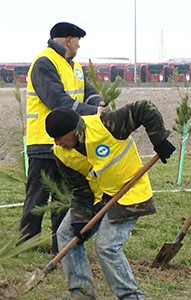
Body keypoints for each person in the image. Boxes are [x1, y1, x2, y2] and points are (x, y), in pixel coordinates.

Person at [45, 101, 175, 300]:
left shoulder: (106, 125)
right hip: (99, 198)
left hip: (129, 195)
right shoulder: (61, 153)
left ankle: (131, 296)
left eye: (60, 137)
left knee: (105, 246)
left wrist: (159, 140)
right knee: (65, 233)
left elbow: (144, 108)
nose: (57, 143)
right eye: (53, 139)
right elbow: (79, 189)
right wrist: (81, 219)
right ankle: (81, 291)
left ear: (74, 130)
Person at [21, 22, 105, 252]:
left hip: (67, 142)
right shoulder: (44, 63)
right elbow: (57, 101)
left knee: (63, 197)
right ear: (68, 40)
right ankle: (26, 245)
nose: (79, 45)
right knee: (37, 197)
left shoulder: (74, 66)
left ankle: (61, 244)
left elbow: (89, 91)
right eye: (78, 40)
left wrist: (98, 102)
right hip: (44, 141)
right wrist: (93, 112)